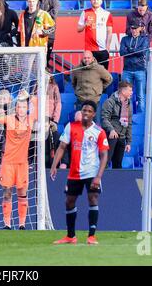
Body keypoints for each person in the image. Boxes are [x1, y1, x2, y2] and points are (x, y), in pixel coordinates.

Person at [50, 100, 109, 245]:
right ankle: (71, 236)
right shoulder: (71, 127)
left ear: (94, 114)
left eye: (89, 111)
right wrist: (54, 165)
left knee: (93, 199)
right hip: (74, 172)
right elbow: (62, 147)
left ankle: (91, 236)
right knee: (69, 202)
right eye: (84, 110)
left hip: (91, 172)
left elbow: (104, 155)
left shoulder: (99, 132)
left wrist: (99, 176)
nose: (86, 113)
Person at [0, 90, 37, 230]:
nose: (21, 109)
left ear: (27, 108)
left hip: (22, 163)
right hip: (8, 162)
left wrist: (29, 96)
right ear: (15, 108)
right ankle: (7, 224)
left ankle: (22, 224)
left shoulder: (31, 118)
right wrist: (2, 103)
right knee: (7, 192)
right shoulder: (10, 118)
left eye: (24, 107)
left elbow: (39, 107)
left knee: (22, 193)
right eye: (18, 107)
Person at [18, 0, 55, 90]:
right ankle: (24, 91)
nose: (31, 3)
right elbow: (19, 32)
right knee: (26, 72)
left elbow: (52, 29)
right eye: (29, 1)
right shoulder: (22, 14)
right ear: (27, 2)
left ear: (37, 2)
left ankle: (41, 91)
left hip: (40, 48)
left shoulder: (43, 14)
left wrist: (43, 32)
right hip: (26, 49)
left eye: (33, 1)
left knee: (40, 71)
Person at [77, 0, 113, 70]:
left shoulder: (107, 14)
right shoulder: (85, 12)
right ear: (91, 1)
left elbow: (109, 32)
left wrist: (107, 47)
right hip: (89, 51)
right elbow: (78, 29)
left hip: (103, 50)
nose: (95, 1)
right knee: (89, 74)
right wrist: (85, 25)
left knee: (103, 74)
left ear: (101, 1)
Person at [101, 81, 133, 169]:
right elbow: (104, 119)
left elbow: (129, 123)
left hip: (122, 137)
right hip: (111, 136)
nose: (131, 92)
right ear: (123, 91)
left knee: (118, 165)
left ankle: (116, 182)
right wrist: (111, 130)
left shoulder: (128, 104)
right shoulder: (110, 102)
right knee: (105, 162)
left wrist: (129, 142)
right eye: (130, 90)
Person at [119, 22, 150, 113]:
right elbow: (122, 52)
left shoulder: (144, 39)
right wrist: (134, 51)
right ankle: (128, 116)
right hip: (127, 69)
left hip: (140, 69)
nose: (134, 30)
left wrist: (129, 50)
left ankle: (141, 117)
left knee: (141, 95)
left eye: (136, 28)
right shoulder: (125, 39)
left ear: (140, 29)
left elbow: (142, 52)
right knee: (126, 95)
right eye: (132, 28)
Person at [37, 0, 60, 67]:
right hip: (36, 36)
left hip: (49, 35)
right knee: (36, 61)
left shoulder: (54, 1)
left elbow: (53, 15)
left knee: (45, 60)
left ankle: (45, 80)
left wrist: (39, 16)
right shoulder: (34, 1)